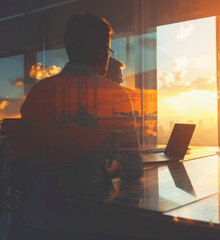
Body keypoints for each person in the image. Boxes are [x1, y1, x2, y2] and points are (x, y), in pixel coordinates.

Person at [10, 13, 143, 230]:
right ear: (101, 50)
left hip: (37, 220)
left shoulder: (39, 92)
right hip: (88, 220)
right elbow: (133, 170)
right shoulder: (114, 95)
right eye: (108, 50)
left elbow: (29, 156)